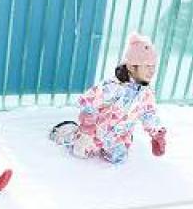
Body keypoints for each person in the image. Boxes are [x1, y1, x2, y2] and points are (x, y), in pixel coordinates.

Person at [50, 33, 167, 164]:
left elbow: (149, 114)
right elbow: (89, 101)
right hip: (95, 131)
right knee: (81, 152)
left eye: (153, 66)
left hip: (117, 137)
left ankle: (116, 144)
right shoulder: (113, 86)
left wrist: (157, 134)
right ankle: (68, 132)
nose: (152, 71)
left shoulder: (146, 94)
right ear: (131, 66)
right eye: (147, 66)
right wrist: (87, 127)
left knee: (118, 159)